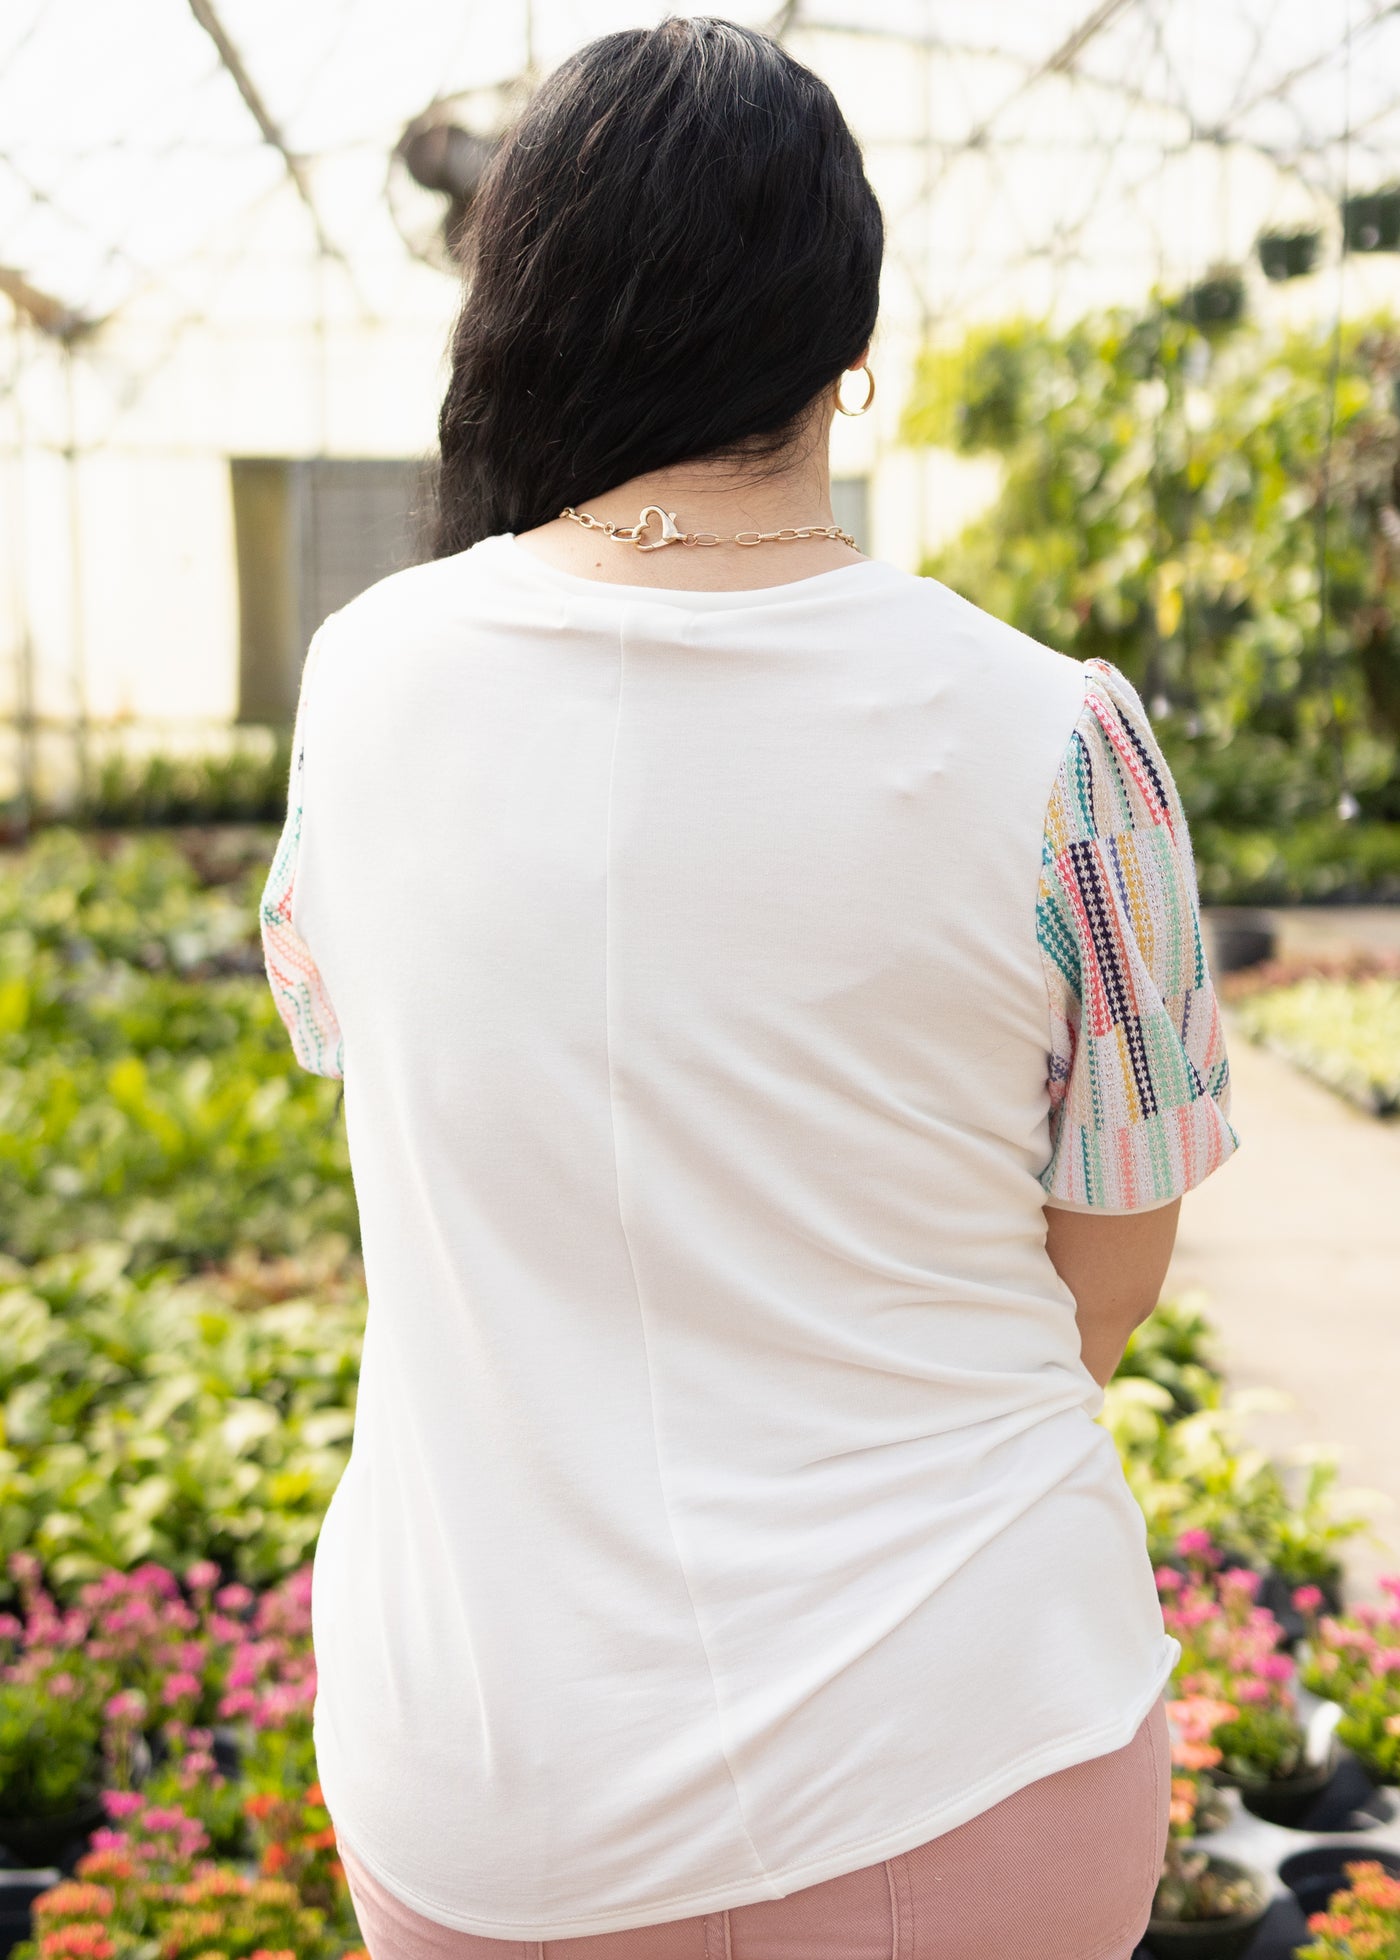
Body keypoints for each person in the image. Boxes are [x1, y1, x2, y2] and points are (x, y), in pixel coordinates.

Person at [260, 17, 1238, 1959]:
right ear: (845, 342)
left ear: (518, 304)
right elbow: (1103, 1276)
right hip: (972, 1744)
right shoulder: (1062, 739)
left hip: (490, 1771)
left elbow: (374, 1054)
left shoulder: (365, 683)